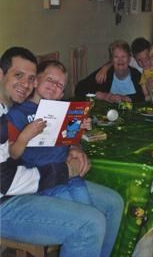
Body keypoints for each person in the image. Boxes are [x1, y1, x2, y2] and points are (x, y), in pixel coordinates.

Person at [0, 47, 123, 257]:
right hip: (11, 198)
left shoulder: (7, 110)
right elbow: (7, 177)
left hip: (36, 182)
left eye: (30, 78)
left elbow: (64, 138)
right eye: (18, 75)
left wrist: (75, 148)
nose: (26, 84)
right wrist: (65, 171)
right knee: (91, 223)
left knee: (114, 203)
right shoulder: (14, 115)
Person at [7, 60, 92, 204]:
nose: (54, 86)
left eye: (60, 85)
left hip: (69, 174)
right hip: (43, 181)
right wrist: (26, 135)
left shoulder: (64, 110)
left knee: (88, 207)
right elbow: (12, 155)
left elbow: (70, 139)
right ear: (36, 81)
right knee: (88, 217)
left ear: (61, 94)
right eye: (50, 79)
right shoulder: (18, 112)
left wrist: (79, 129)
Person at [75, 40, 145, 103]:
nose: (120, 60)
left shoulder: (137, 75)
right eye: (116, 57)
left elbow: (144, 96)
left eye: (123, 56)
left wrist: (126, 98)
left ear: (129, 59)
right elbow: (80, 88)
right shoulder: (105, 73)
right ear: (111, 60)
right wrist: (104, 96)